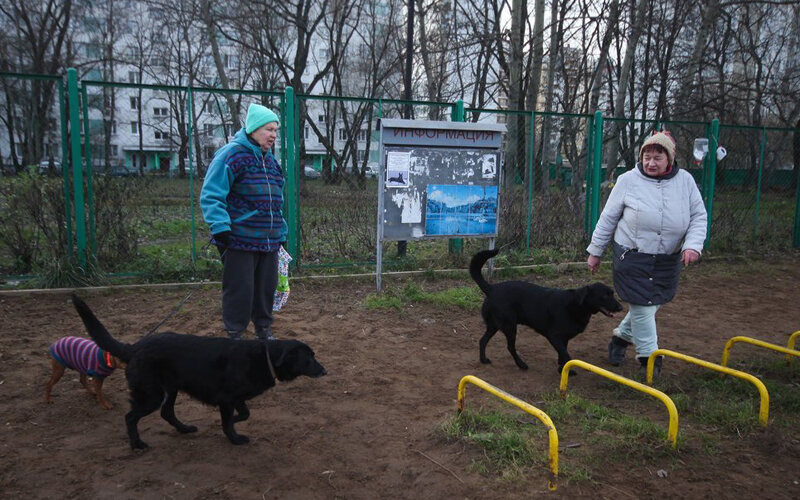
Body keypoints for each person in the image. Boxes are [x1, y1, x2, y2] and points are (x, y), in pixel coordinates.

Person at [586, 131, 707, 378]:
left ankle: (620, 339)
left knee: (650, 305)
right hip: (632, 256)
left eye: (657, 158)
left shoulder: (685, 181)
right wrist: (595, 251)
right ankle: (649, 359)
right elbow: (608, 218)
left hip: (667, 258)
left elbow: (698, 216)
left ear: (669, 159)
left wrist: (692, 245)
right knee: (642, 306)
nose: (651, 163)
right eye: (647, 157)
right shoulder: (628, 180)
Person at [200, 103, 287, 341]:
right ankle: (236, 334)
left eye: (276, 131)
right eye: (269, 129)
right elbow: (211, 194)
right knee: (240, 291)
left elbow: (276, 200)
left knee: (264, 290)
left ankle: (263, 330)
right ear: (254, 129)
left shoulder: (271, 162)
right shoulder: (232, 155)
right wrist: (220, 227)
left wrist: (281, 232)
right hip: (238, 238)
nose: (273, 135)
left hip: (268, 240)